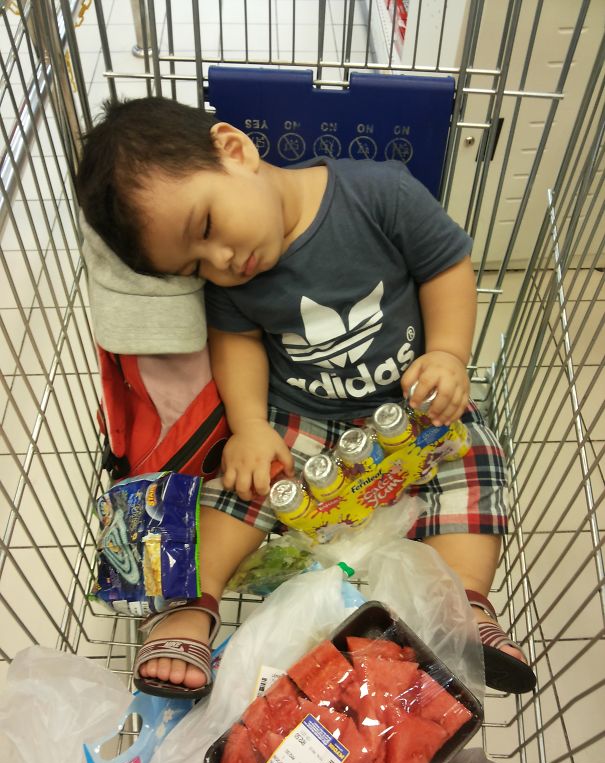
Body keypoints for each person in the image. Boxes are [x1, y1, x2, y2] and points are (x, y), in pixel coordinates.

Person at [76, 96, 536, 697]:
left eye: (208, 228)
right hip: (304, 419)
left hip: (414, 403)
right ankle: (189, 606)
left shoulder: (380, 194)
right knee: (241, 484)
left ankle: (463, 608)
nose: (221, 263)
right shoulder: (232, 281)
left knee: (472, 461)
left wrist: (448, 355)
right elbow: (237, 345)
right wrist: (249, 428)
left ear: (235, 150)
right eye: (196, 265)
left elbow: (446, 266)